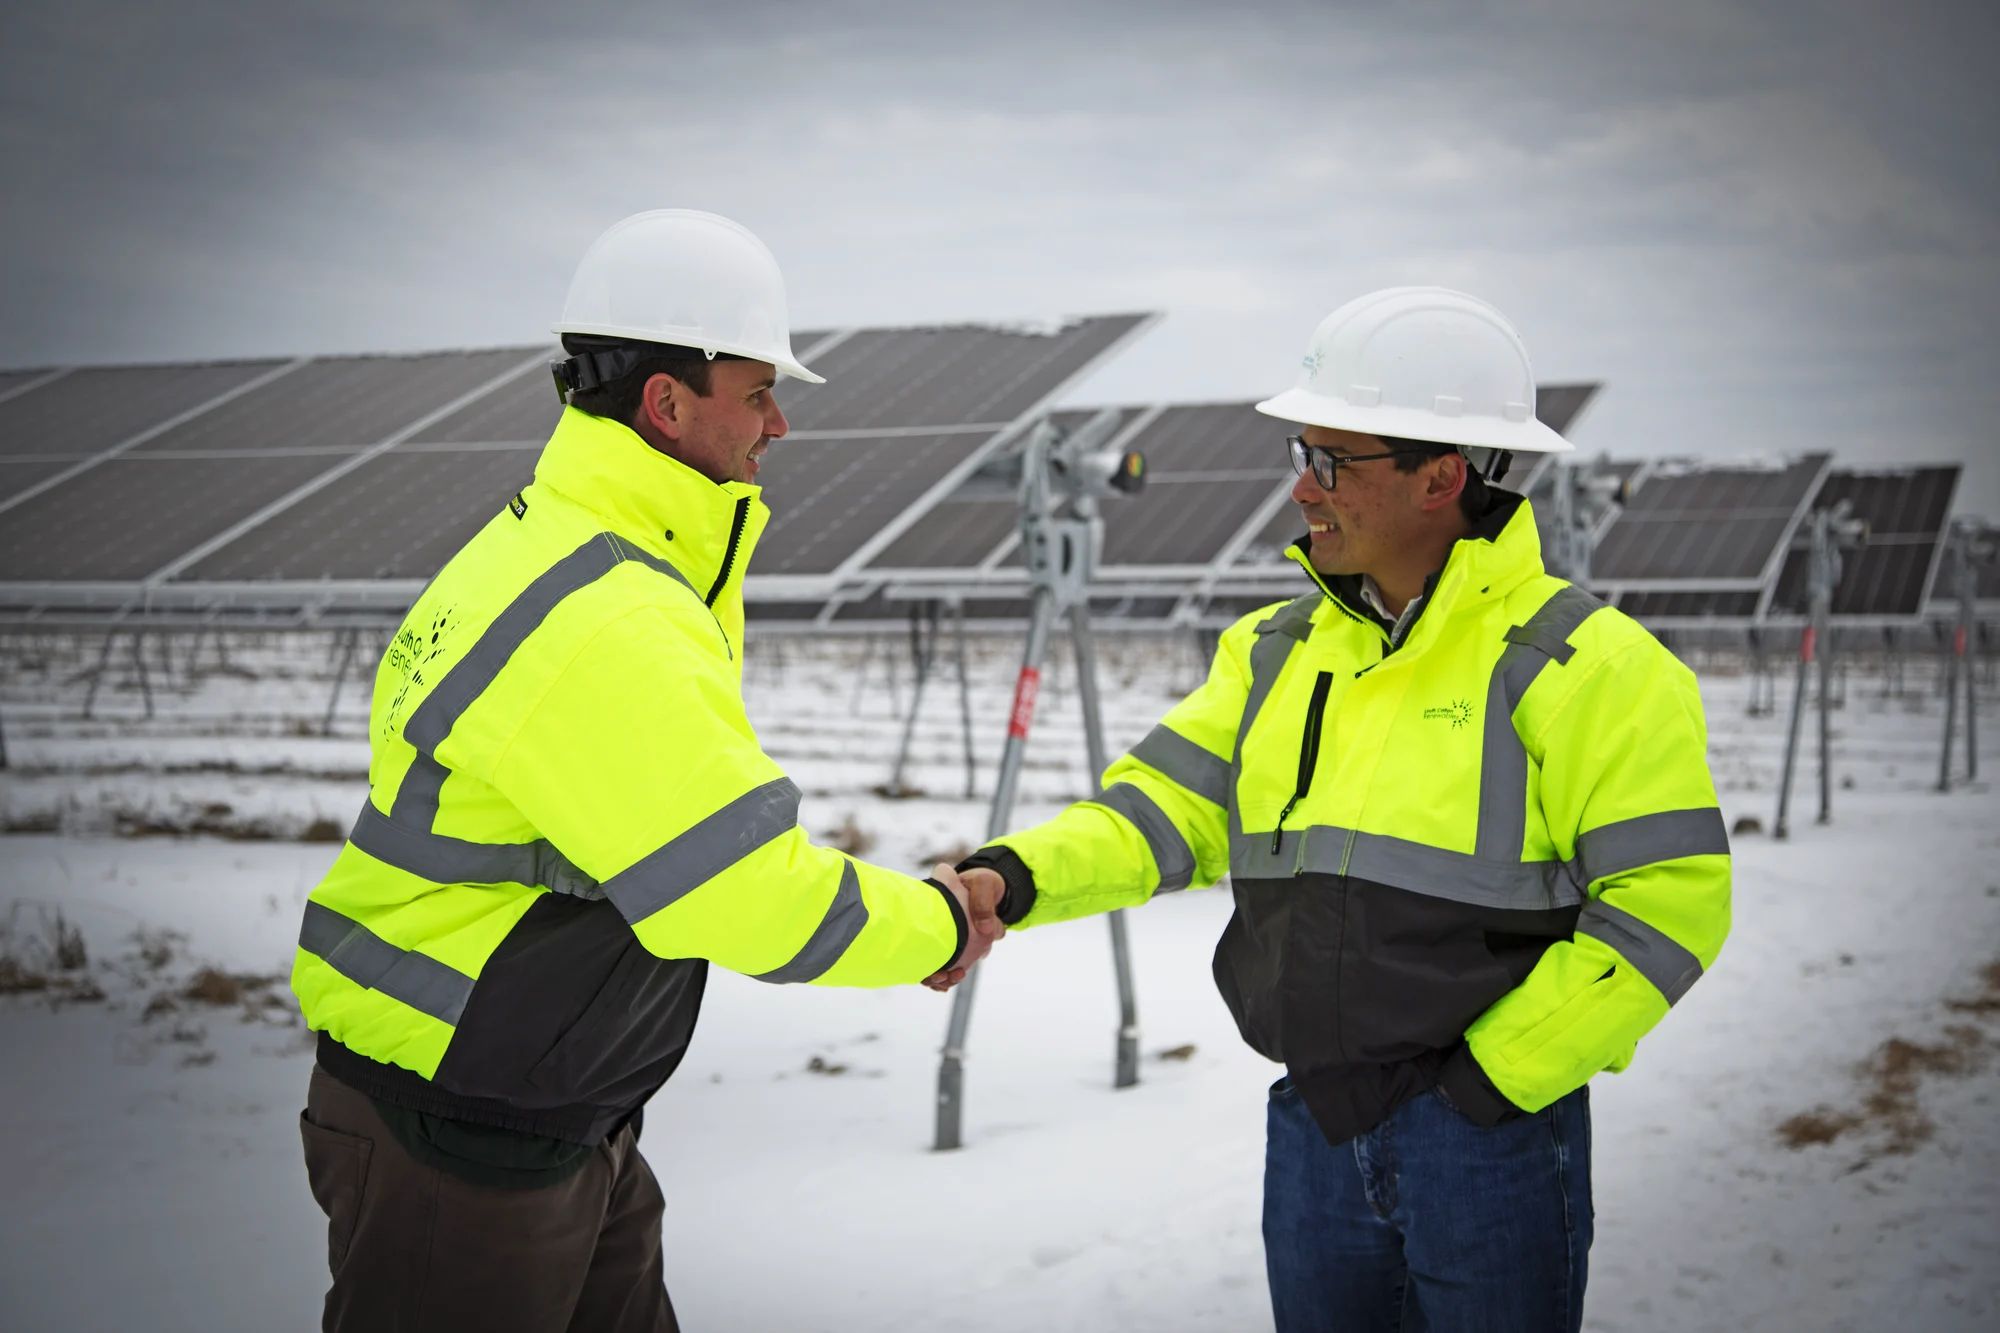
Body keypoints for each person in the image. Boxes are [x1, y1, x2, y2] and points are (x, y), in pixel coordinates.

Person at [953, 287, 1731, 1332]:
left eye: (1331, 462)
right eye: (1299, 458)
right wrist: (1013, 875)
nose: (1300, 491)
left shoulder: (1587, 666)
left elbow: (1667, 904)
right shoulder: (1272, 651)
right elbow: (1158, 813)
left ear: (1439, 477)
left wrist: (1488, 1086)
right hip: (1312, 1122)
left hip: (1487, 1142)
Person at [289, 209, 1002, 1333]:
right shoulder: (598, 613)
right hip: (458, 1137)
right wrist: (936, 922)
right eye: (758, 390)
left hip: (550, 1110)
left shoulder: (576, 554)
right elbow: (744, 891)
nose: (779, 424)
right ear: (666, 404)